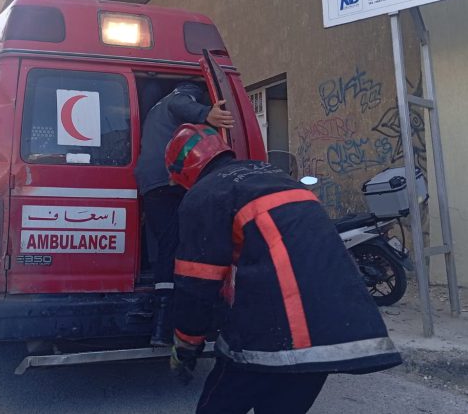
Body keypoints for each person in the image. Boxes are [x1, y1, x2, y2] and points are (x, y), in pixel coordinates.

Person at [164, 124, 402, 413]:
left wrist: (187, 344)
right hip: (334, 331)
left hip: (271, 333)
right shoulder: (277, 177)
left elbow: (197, 283)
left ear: (183, 171)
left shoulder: (205, 194)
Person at [134, 81, 235, 346]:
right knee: (176, 244)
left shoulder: (153, 112)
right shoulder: (177, 98)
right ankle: (164, 325)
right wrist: (206, 115)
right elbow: (182, 103)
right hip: (170, 180)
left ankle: (164, 321)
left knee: (164, 243)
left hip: (150, 183)